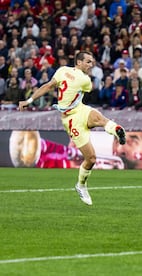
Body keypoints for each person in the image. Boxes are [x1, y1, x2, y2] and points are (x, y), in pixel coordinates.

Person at [19, 51, 126, 206]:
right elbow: (48, 86)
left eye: (92, 62)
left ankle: (116, 129)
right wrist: (29, 100)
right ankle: (81, 185)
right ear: (79, 62)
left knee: (98, 118)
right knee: (91, 159)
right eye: (88, 62)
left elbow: (59, 86)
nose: (91, 65)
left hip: (80, 110)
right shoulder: (66, 72)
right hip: (70, 120)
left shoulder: (84, 79)